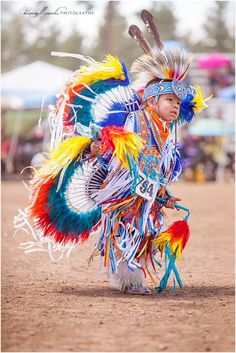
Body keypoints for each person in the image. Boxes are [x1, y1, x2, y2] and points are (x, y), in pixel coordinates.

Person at [16, 10, 211, 295]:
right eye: (169, 100)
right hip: (120, 195)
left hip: (144, 198)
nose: (174, 107)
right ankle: (128, 280)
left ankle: (130, 278)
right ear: (153, 99)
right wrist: (98, 145)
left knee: (144, 232)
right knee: (124, 231)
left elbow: (155, 169)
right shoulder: (131, 120)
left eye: (177, 104)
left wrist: (163, 195)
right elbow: (104, 142)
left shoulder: (166, 136)